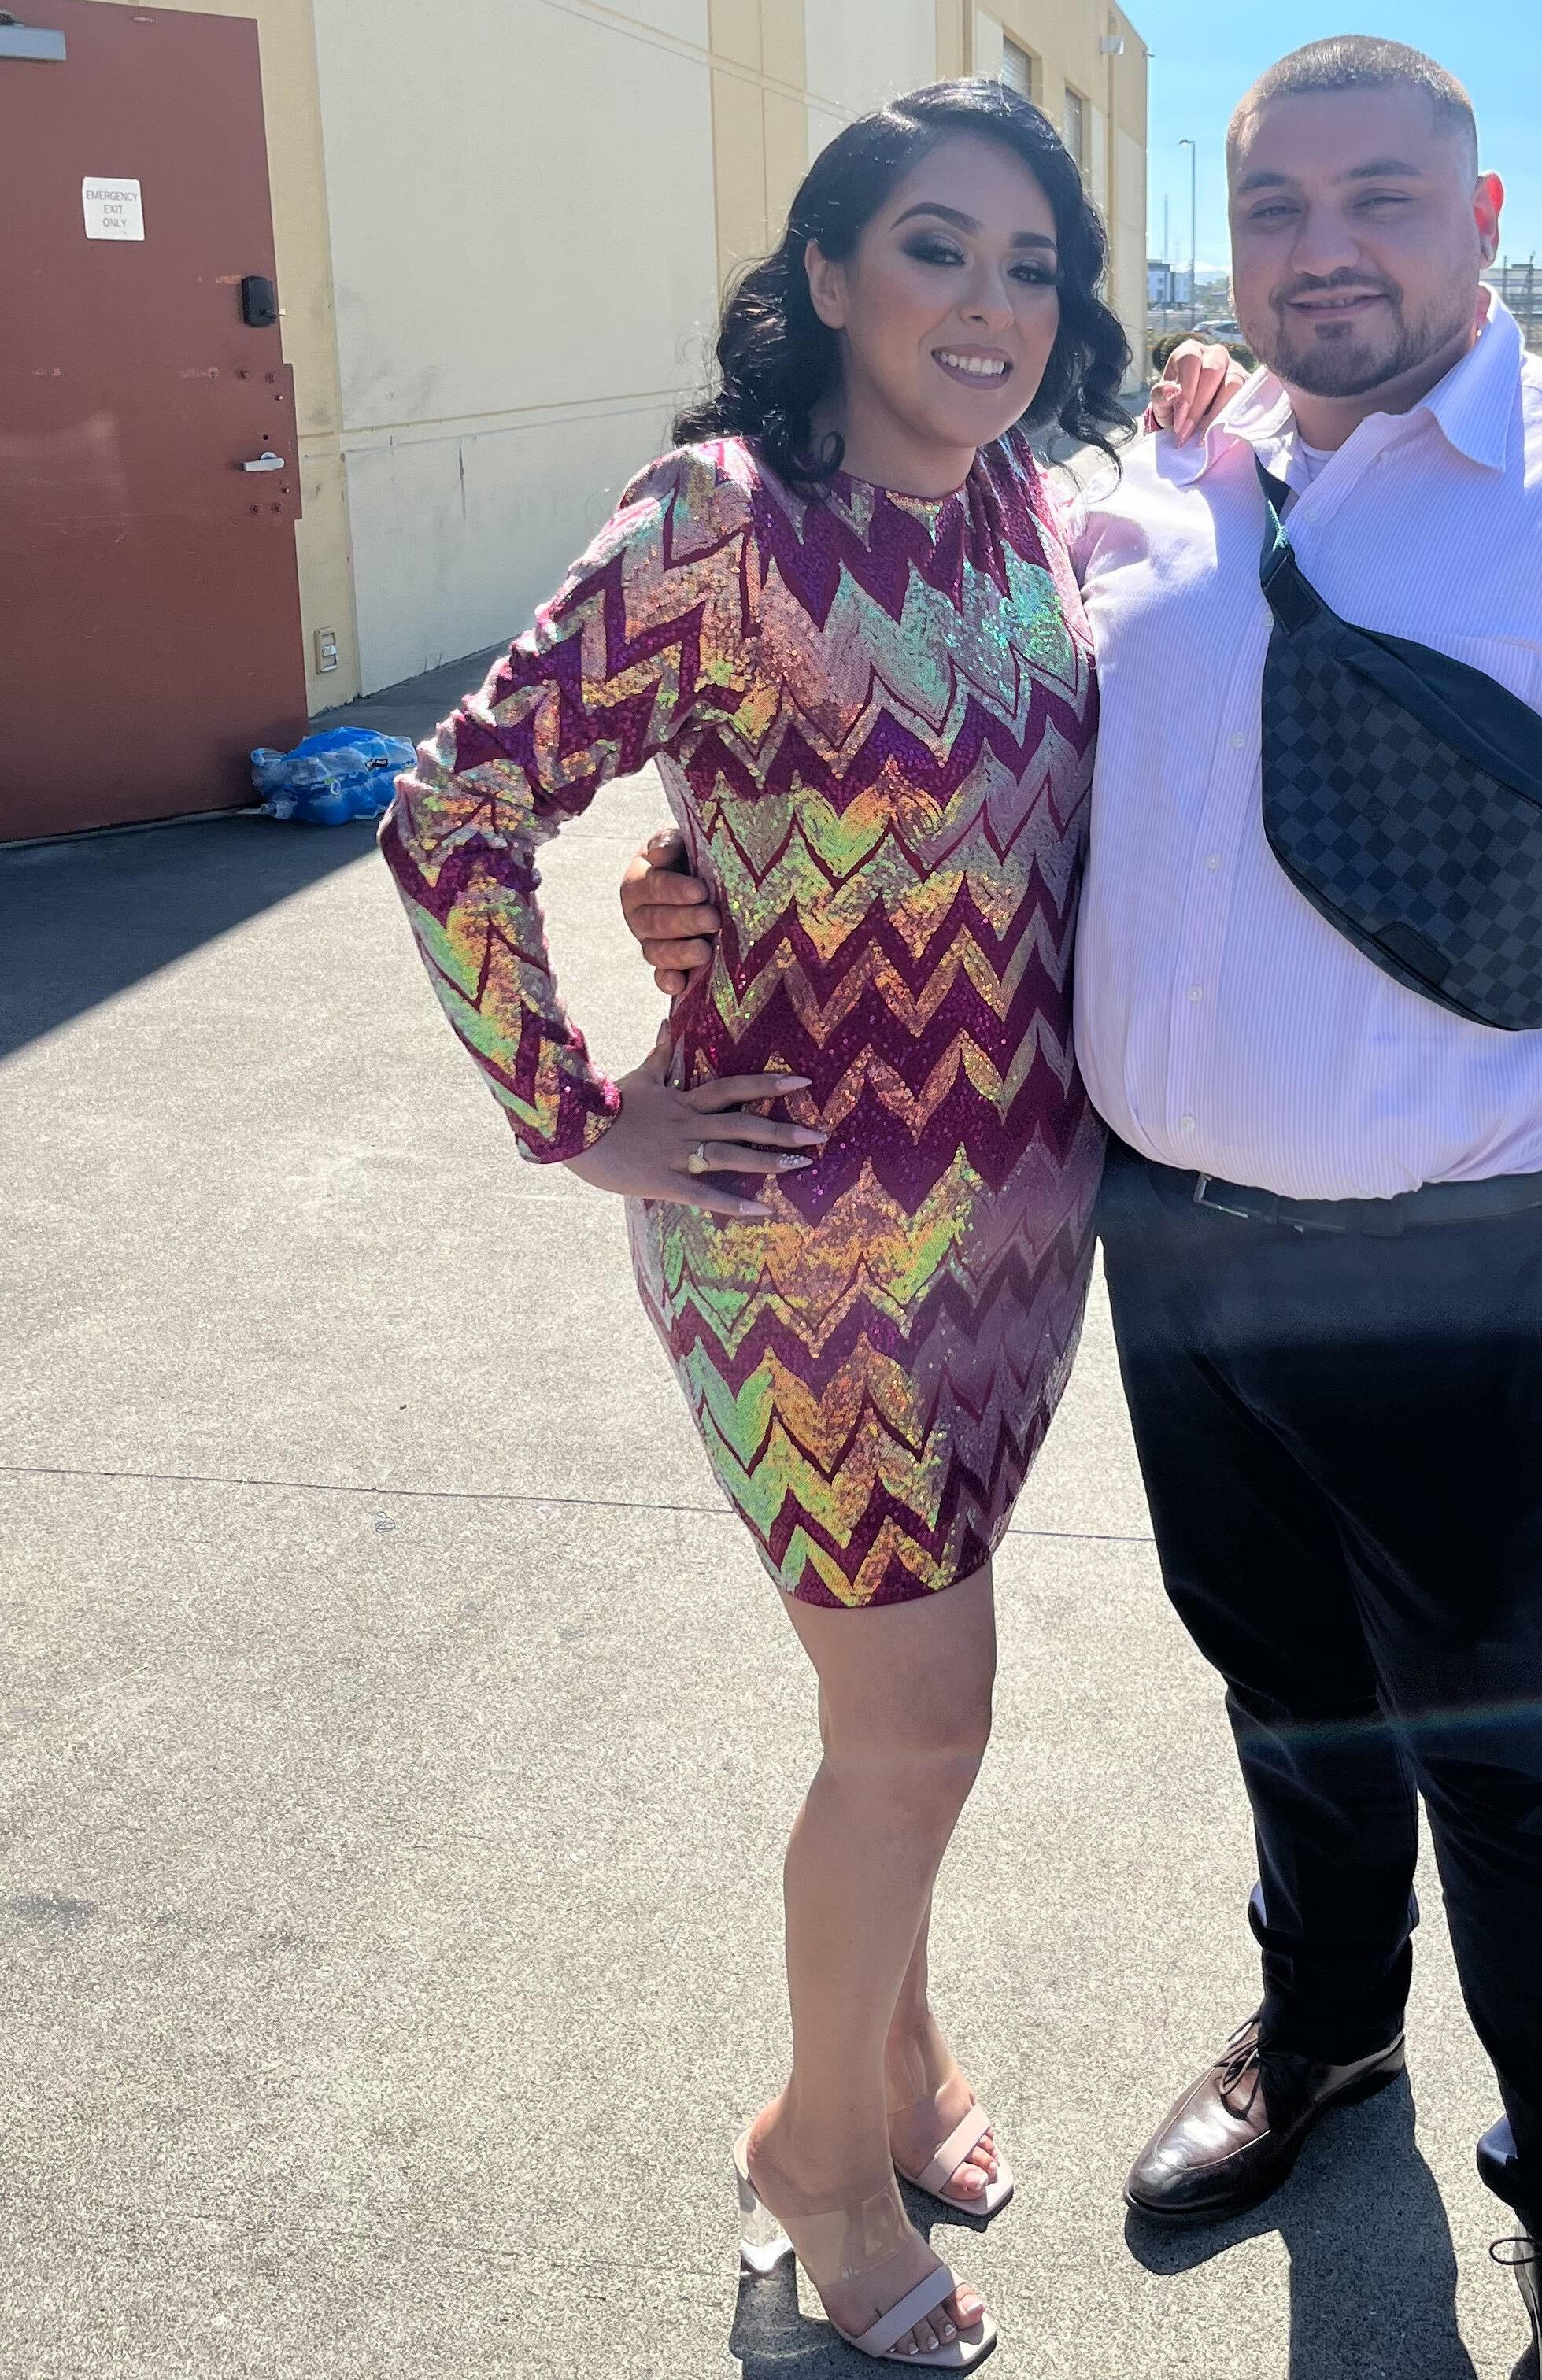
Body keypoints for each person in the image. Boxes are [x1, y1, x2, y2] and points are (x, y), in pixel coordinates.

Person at [625, 38, 1542, 2378]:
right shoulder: (1151, 497)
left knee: (1516, 1764)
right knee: (1290, 1700)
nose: (1330, 247)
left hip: (1487, 1266)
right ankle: (1323, 2041)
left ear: (1485, 214)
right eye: (1279, 206)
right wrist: (713, 891)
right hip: (1177, 1249)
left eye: (1382, 197)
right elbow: (957, 789)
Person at [379, 81, 1239, 2368]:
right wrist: (579, 1119)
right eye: (937, 249)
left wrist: (1218, 423)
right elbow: (457, 811)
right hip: (804, 1248)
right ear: (834, 276)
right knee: (920, 1726)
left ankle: (903, 2057)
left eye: (1031, 263)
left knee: (894, 1713)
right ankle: (818, 2159)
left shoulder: (1047, 522)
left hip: (1017, 1236)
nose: (989, 302)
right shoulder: (719, 518)